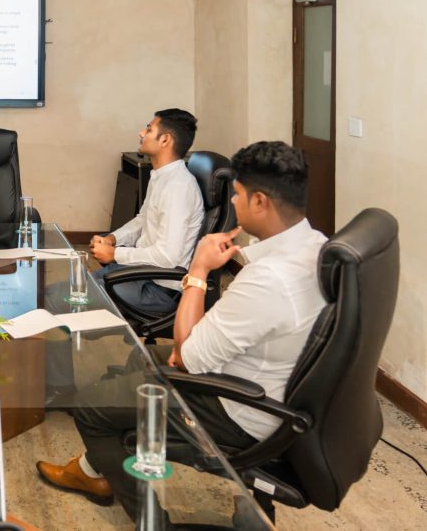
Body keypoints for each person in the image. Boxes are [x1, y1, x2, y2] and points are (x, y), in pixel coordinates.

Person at [37, 141, 328, 520]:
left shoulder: (267, 280)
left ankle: (151, 520)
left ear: (260, 202)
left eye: (237, 196)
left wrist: (200, 271)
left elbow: (185, 357)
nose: (232, 205)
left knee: (91, 407)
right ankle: (94, 467)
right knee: (138, 362)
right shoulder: (319, 246)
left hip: (239, 412)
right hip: (276, 390)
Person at [89, 108, 204, 314]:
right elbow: (143, 220)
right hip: (140, 274)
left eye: (149, 129)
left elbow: (168, 257)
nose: (141, 133)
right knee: (72, 285)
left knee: (67, 298)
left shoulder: (178, 187)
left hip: (158, 289)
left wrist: (115, 253)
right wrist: (113, 239)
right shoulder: (162, 176)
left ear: (165, 140)